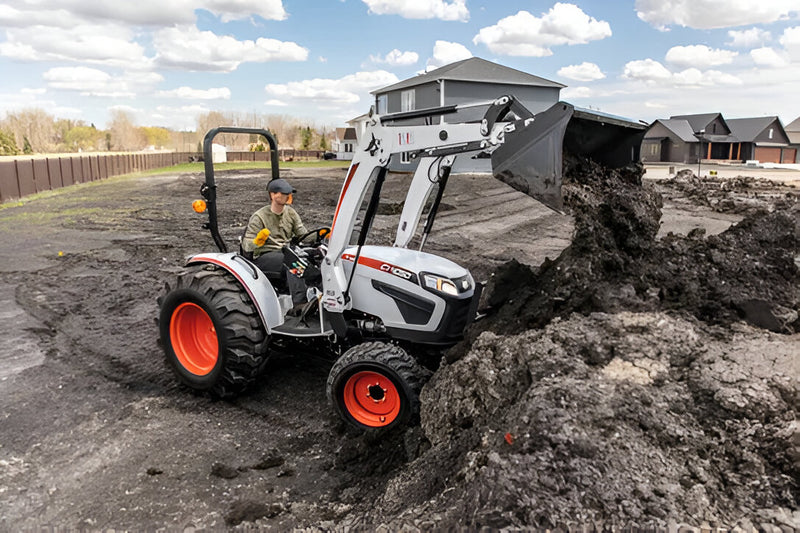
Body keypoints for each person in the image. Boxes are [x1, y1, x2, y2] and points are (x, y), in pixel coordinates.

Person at [242, 178, 309, 311]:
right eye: (284, 194)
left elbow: (303, 234)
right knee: (292, 261)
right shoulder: (259, 217)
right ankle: (300, 305)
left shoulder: (290, 213)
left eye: (289, 194)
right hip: (264, 255)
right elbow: (246, 245)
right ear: (273, 195)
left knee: (313, 256)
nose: (288, 197)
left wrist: (323, 235)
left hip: (284, 251)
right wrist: (256, 242)